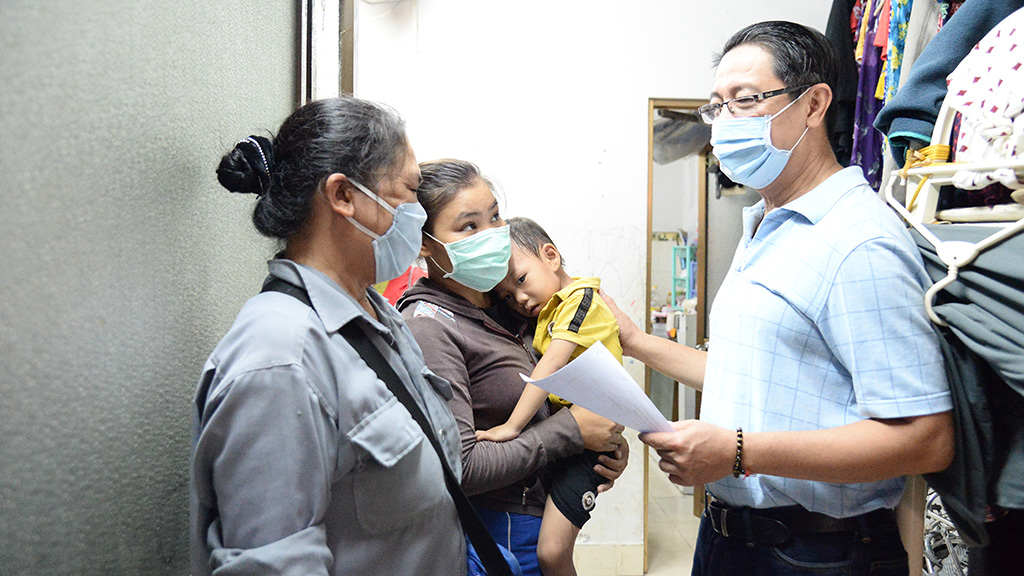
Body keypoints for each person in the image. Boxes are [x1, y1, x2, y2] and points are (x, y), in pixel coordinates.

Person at [603, 22, 955, 576]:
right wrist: (634, 342)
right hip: (729, 539)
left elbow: (925, 439)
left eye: (745, 101)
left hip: (814, 552)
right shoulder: (768, 224)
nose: (724, 124)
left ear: (814, 104)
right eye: (716, 107)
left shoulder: (858, 241)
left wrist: (739, 451)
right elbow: (757, 372)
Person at [191, 97, 464, 576]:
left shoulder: (374, 313)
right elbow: (275, 563)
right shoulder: (281, 357)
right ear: (343, 195)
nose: (418, 214)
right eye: (410, 190)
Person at [396, 159, 628, 576]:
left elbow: (561, 399)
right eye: (469, 226)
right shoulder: (429, 327)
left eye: (495, 216)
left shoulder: (512, 306)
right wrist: (573, 431)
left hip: (543, 509)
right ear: (424, 243)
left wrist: (602, 446)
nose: (493, 235)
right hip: (500, 530)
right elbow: (461, 467)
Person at [476, 216, 623, 576]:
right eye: (507, 296)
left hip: (587, 449)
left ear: (551, 256)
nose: (520, 299)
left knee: (552, 553)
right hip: (571, 440)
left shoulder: (579, 302)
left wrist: (511, 427)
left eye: (522, 281)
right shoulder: (550, 311)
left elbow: (549, 368)